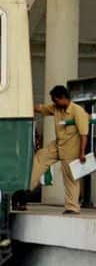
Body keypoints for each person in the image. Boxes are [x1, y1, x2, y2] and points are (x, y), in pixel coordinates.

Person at [22, 85, 89, 214]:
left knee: (71, 178)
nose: (54, 103)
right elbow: (41, 109)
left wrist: (81, 153)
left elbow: (83, 135)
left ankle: (72, 207)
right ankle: (26, 188)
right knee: (40, 157)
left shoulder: (78, 111)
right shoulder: (56, 108)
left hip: (72, 149)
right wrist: (23, 104)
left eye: (56, 100)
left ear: (63, 98)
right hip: (57, 145)